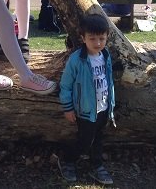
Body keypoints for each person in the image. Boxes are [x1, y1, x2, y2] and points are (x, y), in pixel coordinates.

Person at [58, 14, 115, 185]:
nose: (98, 43)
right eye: (92, 39)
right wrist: (68, 108)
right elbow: (66, 85)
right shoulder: (77, 60)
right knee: (84, 141)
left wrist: (111, 104)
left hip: (103, 108)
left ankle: (96, 166)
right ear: (83, 38)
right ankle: (68, 160)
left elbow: (109, 80)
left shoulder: (105, 55)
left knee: (98, 139)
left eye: (101, 38)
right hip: (85, 110)